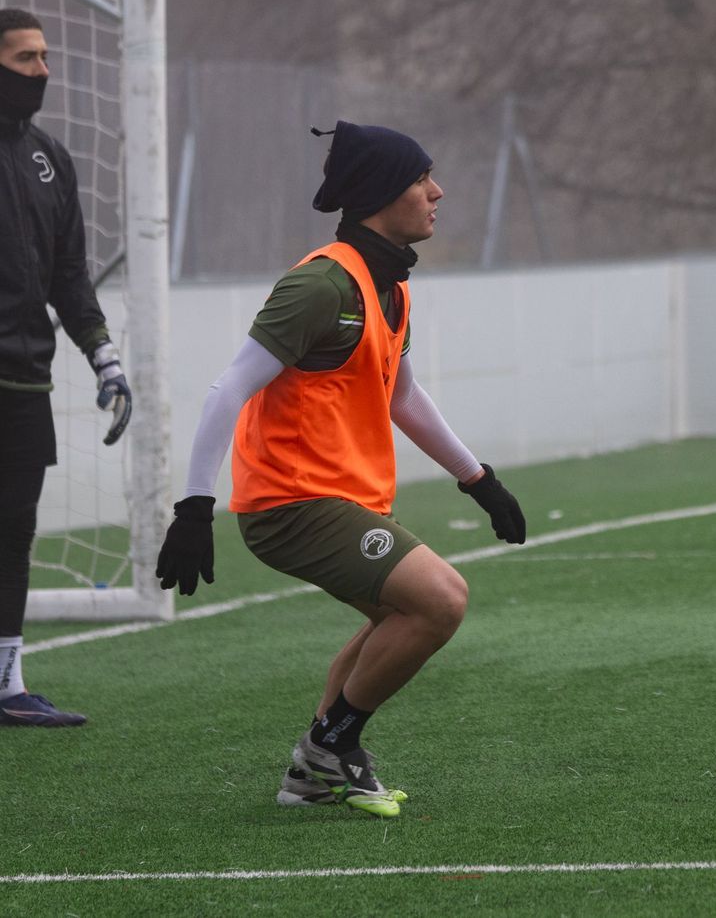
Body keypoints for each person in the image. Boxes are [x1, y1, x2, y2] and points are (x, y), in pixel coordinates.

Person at [155, 120, 527, 817]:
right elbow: (227, 387)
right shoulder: (323, 284)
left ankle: (312, 775)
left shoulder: (390, 287)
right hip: (291, 503)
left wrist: (479, 479)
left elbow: (404, 396)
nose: (437, 192)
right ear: (386, 193)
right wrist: (194, 508)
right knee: (442, 598)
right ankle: (332, 745)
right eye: (423, 180)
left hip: (345, 501)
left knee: (397, 617)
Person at [0, 8, 132, 728]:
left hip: (25, 383)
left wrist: (103, 355)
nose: (43, 71)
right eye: (25, 58)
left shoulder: (50, 157)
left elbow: (70, 277)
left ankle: (6, 684)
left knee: (14, 531)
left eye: (45, 57)